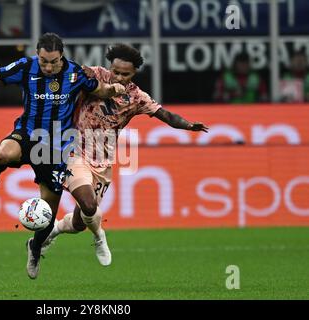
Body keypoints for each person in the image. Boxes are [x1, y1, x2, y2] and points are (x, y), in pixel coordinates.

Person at [0, 33, 125, 279]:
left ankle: (35, 248)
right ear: (37, 54)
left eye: (53, 61)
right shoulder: (26, 66)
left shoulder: (75, 73)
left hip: (55, 151)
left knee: (47, 212)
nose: (48, 67)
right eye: (44, 61)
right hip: (28, 134)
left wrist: (113, 89)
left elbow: (99, 89)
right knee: (4, 153)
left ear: (62, 56)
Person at [40, 44, 209, 266]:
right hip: (74, 151)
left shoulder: (137, 97)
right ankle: (100, 236)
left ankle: (55, 230)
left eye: (124, 74)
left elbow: (164, 114)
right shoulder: (96, 75)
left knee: (81, 221)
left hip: (103, 160)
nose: (118, 77)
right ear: (110, 67)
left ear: (134, 73)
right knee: (90, 206)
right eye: (115, 71)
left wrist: (188, 125)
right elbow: (68, 72)